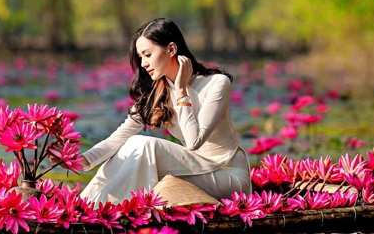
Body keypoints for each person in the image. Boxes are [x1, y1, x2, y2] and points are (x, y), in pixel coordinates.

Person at [78, 17, 251, 205]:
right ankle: (84, 204)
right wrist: (80, 160)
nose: (143, 63)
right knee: (130, 145)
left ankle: (101, 208)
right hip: (192, 168)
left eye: (147, 54)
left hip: (227, 175)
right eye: (140, 57)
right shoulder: (158, 92)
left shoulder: (216, 83)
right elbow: (118, 138)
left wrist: (182, 91)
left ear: (171, 49)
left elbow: (194, 142)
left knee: (144, 145)